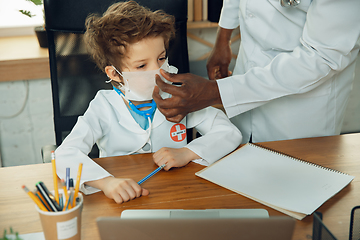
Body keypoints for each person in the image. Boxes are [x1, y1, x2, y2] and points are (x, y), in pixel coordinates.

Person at [55, 1, 242, 204]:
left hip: (177, 195)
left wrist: (188, 152)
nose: (158, 71)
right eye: (142, 65)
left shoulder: (180, 97)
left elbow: (229, 132)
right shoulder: (103, 107)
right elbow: (65, 155)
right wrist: (106, 183)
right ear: (114, 74)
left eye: (161, 58)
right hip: (122, 201)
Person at [153, 0, 360, 144]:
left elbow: (321, 57)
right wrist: (223, 35)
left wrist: (218, 92)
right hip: (248, 62)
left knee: (295, 185)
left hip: (301, 104)